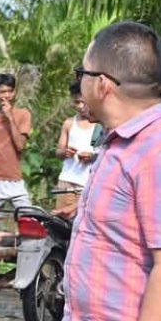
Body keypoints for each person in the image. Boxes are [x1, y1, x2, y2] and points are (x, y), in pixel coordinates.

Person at [50, 21, 161, 321]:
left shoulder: (156, 149)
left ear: (102, 84)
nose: (78, 82)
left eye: (81, 73)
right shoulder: (118, 143)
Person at [0, 72, 32, 212]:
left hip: (13, 179)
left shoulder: (23, 114)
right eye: (3, 92)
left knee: (29, 218)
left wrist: (9, 117)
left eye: (10, 91)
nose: (7, 95)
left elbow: (20, 145)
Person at [52, 82, 100, 220]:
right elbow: (59, 151)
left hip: (87, 181)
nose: (80, 107)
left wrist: (92, 157)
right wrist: (65, 152)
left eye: (83, 102)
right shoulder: (69, 123)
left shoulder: (99, 124)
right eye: (76, 102)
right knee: (61, 220)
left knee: (84, 220)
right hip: (67, 179)